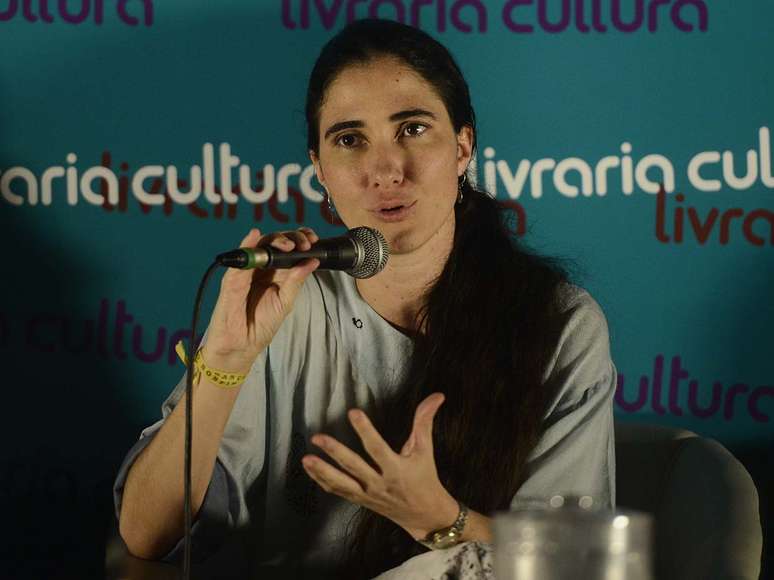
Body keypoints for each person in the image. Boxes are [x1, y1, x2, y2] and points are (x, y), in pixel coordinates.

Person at [114, 18, 616, 580]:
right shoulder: (285, 303)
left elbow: (577, 563)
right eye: (351, 140)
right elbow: (145, 533)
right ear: (320, 171)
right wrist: (228, 358)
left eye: (413, 129)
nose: (385, 171)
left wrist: (439, 519)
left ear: (463, 147)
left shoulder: (559, 324)